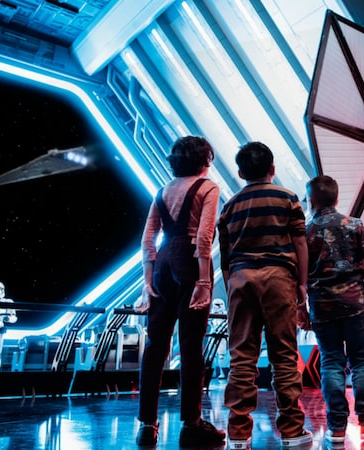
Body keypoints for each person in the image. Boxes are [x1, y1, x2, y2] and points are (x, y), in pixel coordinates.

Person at [217, 141, 312, 449]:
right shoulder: (288, 199)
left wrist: (234, 284)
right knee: (283, 355)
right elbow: (300, 245)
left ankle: (239, 435)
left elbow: (225, 256)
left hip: (241, 278)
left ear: (241, 172)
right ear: (273, 169)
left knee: (241, 357)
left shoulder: (229, 206)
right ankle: (292, 432)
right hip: (278, 278)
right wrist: (301, 285)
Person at [134, 135, 225, 447]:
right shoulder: (208, 187)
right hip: (190, 263)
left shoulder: (162, 191)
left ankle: (147, 424)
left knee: (155, 346)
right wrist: (202, 281)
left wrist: (147, 284)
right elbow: (204, 235)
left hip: (161, 264)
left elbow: (148, 240)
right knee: (191, 345)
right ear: (205, 160)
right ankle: (191, 423)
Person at [301, 175, 364, 444]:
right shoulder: (353, 225)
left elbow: (301, 275)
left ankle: (337, 428)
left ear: (311, 201)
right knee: (361, 363)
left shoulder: (306, 233)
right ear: (337, 198)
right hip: (355, 306)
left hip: (322, 308)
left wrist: (301, 307)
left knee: (331, 363)